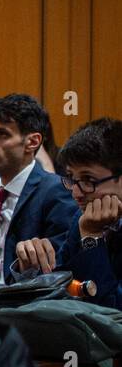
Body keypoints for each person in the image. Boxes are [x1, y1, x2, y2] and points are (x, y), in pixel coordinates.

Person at [0, 94, 76, 284]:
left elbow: (62, 271)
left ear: (32, 142)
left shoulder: (56, 191)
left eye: (1, 134)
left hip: (25, 305)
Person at [14, 117, 122, 308]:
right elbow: (63, 288)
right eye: (71, 178)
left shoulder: (88, 225)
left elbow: (110, 313)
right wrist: (32, 270)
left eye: (88, 179)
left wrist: (92, 238)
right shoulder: (81, 219)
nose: (76, 193)